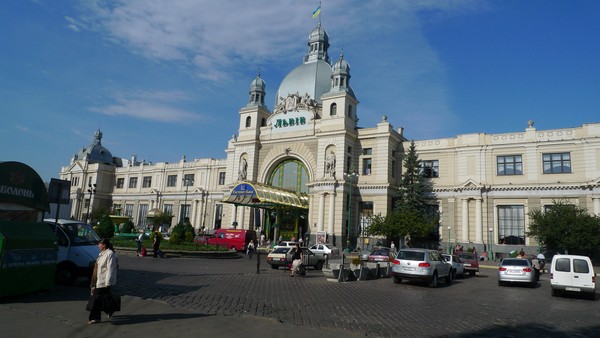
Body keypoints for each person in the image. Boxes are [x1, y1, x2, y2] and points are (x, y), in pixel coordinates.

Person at [87, 238, 118, 324]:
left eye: (99, 244)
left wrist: (107, 283)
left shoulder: (110, 254)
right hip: (99, 280)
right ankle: (111, 308)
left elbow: (110, 269)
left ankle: (95, 317)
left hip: (104, 281)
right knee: (103, 298)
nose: (98, 246)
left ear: (104, 245)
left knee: (96, 299)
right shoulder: (102, 254)